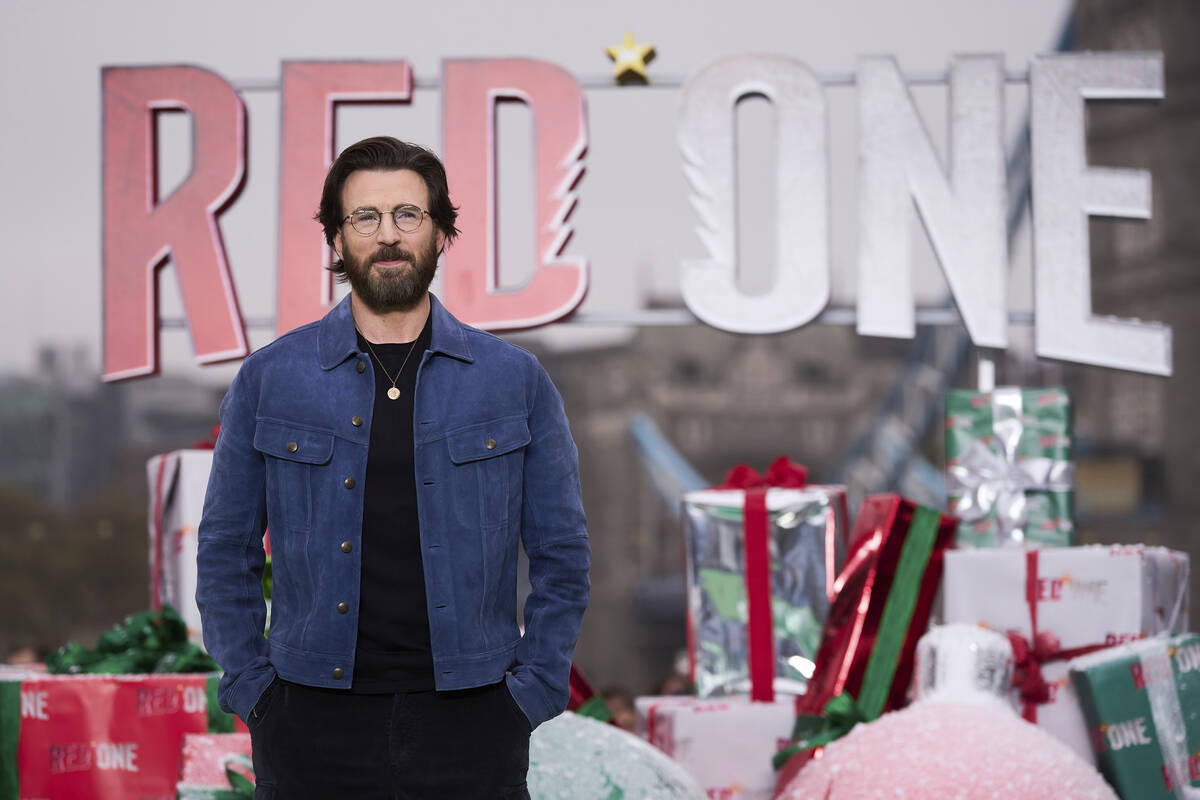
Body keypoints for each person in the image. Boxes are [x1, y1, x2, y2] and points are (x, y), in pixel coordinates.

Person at [196, 136, 590, 799]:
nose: (388, 235)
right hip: (307, 723)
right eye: (365, 218)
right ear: (336, 238)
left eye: (408, 215)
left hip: (475, 724)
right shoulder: (271, 379)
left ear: (440, 234)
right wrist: (255, 693)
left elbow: (563, 554)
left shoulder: (514, 381)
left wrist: (530, 693)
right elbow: (222, 551)